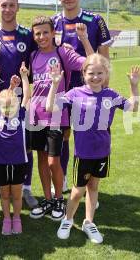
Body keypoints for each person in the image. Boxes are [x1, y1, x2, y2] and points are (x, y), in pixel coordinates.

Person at [46, 54, 140, 244]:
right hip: (83, 153)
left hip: (102, 152)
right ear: (84, 73)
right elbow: (50, 107)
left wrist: (134, 86)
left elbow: (133, 107)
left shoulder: (111, 95)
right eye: (91, 73)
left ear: (106, 74)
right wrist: (55, 83)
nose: (95, 77)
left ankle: (89, 222)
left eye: (100, 73)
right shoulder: (75, 93)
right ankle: (68, 219)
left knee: (93, 187)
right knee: (76, 192)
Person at [28, 16, 93, 221]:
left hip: (57, 116)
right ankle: (47, 199)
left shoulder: (62, 52)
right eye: (37, 33)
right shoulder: (33, 56)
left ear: (53, 32)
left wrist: (83, 39)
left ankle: (58, 199)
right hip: (35, 116)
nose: (41, 37)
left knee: (53, 161)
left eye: (45, 32)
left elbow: (91, 63)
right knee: (40, 160)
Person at [52, 0, 113, 194]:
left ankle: (91, 186)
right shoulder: (53, 22)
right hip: (64, 91)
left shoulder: (95, 20)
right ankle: (66, 179)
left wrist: (104, 93)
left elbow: (104, 60)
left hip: (92, 92)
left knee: (91, 137)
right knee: (64, 137)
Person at [0, 0, 37, 208]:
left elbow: (34, 62)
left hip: (21, 101)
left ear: (18, 7)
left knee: (26, 144)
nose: (7, 9)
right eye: (3, 5)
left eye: (11, 5)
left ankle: (26, 188)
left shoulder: (27, 35)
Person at [0, 61, 30, 235]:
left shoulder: (20, 115)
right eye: (4, 105)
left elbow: (26, 95)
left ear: (17, 106)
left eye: (11, 105)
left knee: (17, 195)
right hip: (0, 163)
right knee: (5, 195)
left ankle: (17, 218)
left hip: (19, 162)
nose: (7, 108)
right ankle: (6, 218)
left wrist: (25, 77)